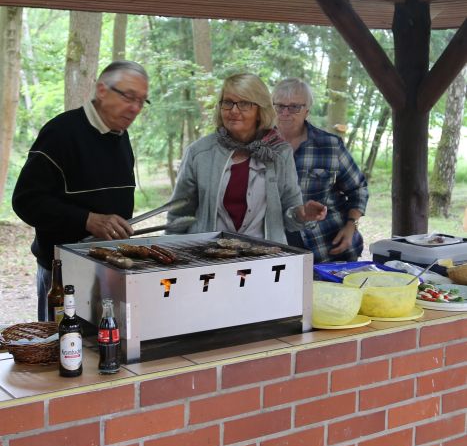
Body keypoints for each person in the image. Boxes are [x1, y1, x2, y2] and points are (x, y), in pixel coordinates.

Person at [12, 60, 149, 320]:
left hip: (109, 267)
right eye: (129, 97)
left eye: (142, 101)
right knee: (64, 351)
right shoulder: (61, 133)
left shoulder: (120, 135)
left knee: (106, 349)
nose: (135, 108)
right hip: (63, 273)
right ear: (101, 90)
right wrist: (87, 220)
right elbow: (26, 201)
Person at [167, 72, 327, 241]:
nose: (234, 111)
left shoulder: (279, 152)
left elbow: (290, 217)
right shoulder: (199, 152)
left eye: (244, 103)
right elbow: (178, 215)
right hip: (207, 257)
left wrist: (302, 214)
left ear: (260, 110)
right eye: (228, 102)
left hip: (263, 258)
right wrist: (171, 256)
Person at [273, 78, 369, 263]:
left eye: (294, 107)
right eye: (279, 106)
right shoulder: (259, 147)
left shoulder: (330, 145)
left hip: (327, 245)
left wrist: (351, 225)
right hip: (277, 250)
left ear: (307, 111)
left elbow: (358, 188)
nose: (285, 113)